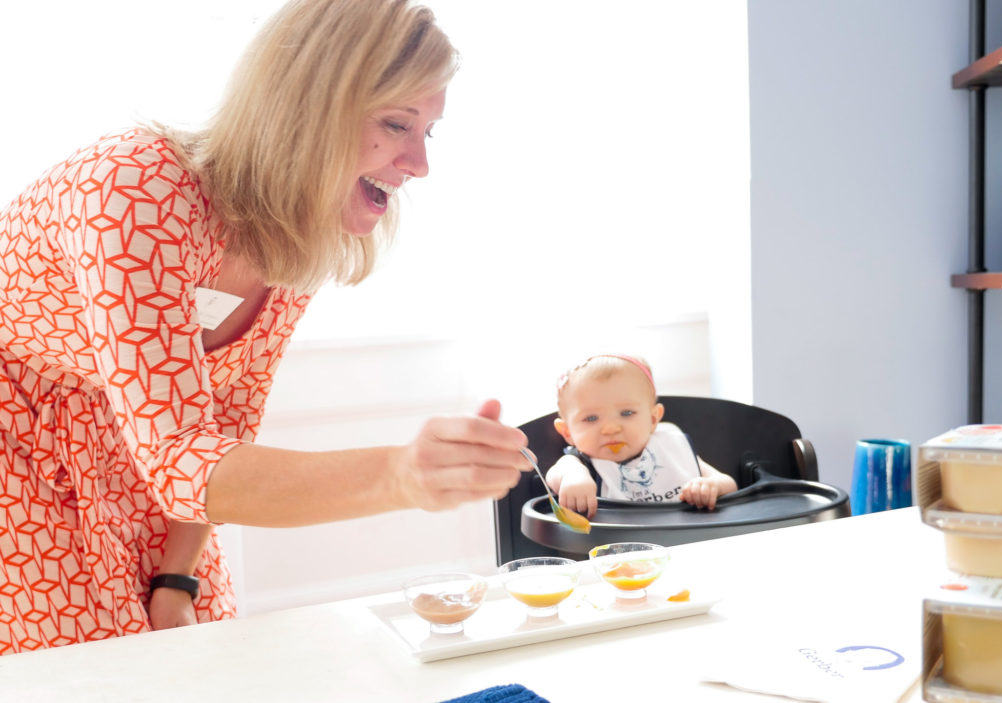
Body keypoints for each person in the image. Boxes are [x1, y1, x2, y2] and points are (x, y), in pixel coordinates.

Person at [0, 0, 529, 655]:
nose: (419, 163)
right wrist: (400, 475)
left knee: (193, 662)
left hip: (152, 466)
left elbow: (218, 432)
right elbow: (180, 456)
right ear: (310, 108)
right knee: (84, 676)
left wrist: (177, 573)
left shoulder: (296, 241)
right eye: (398, 124)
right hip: (19, 455)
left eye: (429, 131)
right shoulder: (134, 190)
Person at [545, 355, 737, 518]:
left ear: (653, 419)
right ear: (567, 432)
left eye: (627, 413)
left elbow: (728, 483)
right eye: (591, 418)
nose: (611, 428)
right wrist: (574, 478)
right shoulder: (578, 464)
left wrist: (710, 486)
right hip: (619, 556)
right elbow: (555, 475)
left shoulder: (669, 445)